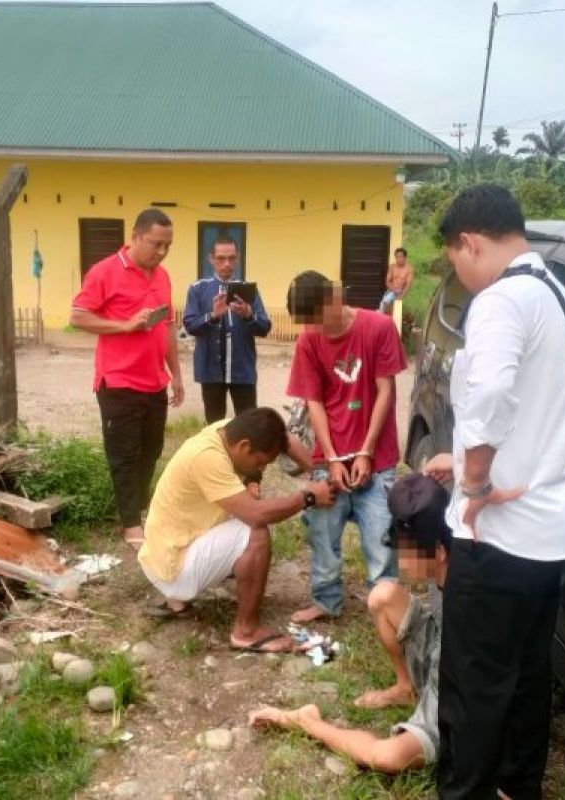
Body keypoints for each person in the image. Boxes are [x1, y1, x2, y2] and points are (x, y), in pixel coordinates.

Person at [430, 184, 565, 800]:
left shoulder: (501, 301)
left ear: (469, 242)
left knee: (473, 684)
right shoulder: (560, 296)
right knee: (526, 673)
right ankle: (517, 787)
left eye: (455, 262)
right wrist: (468, 454)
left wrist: (474, 479)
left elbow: (493, 396)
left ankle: (465, 791)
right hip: (550, 531)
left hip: (497, 535)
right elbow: (550, 405)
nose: (461, 277)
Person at [249, 472, 450, 773]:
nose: (402, 561)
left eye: (408, 552)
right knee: (383, 595)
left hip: (453, 684)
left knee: (387, 757)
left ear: (439, 551)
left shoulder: (470, 597)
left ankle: (308, 722)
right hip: (437, 645)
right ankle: (405, 686)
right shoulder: (450, 543)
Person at [138, 408, 334, 651]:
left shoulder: (227, 430)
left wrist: (320, 473)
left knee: (242, 511)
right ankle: (246, 632)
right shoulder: (207, 457)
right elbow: (256, 513)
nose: (261, 468)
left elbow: (287, 440)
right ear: (243, 446)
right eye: (261, 462)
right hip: (172, 568)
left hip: (163, 551)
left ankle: (177, 601)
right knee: (256, 531)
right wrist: (308, 497)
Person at [284, 270, 406, 623]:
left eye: (317, 319)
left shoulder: (378, 327)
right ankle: (326, 601)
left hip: (377, 457)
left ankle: (385, 607)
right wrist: (334, 458)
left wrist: (366, 451)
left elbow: (386, 390)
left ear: (333, 300)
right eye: (308, 323)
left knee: (380, 537)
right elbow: (315, 402)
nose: (314, 329)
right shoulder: (308, 341)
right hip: (329, 456)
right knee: (323, 533)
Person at [70, 208, 185, 549]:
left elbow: (166, 328)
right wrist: (124, 325)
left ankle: (140, 508)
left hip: (154, 381)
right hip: (118, 380)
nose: (161, 252)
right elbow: (78, 316)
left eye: (168, 245)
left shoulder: (162, 276)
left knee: (152, 450)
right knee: (125, 454)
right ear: (135, 237)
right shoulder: (105, 271)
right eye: (155, 244)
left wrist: (175, 375)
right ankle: (130, 524)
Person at [183, 234, 272, 422]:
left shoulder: (249, 289)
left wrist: (248, 315)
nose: (226, 264)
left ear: (237, 258)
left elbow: (264, 327)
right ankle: (218, 452)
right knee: (214, 425)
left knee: (248, 423)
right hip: (210, 370)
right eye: (221, 259)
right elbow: (190, 325)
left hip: (242, 369)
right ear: (211, 259)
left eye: (231, 258)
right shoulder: (198, 289)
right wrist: (213, 316)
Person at [378, 247, 414, 314]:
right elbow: (387, 281)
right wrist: (392, 289)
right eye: (397, 257)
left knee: (389, 304)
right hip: (392, 290)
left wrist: (401, 296)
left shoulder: (409, 269)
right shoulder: (392, 267)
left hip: (401, 291)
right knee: (385, 302)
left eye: (400, 257)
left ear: (405, 257)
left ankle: (382, 315)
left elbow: (408, 285)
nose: (398, 259)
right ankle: (380, 317)